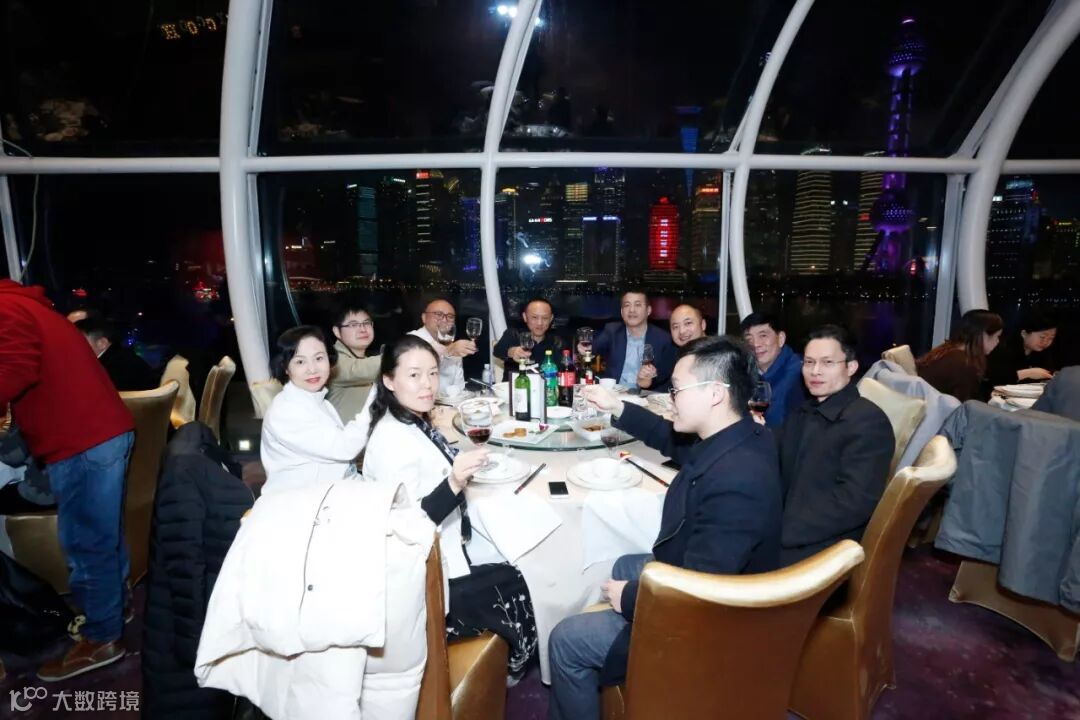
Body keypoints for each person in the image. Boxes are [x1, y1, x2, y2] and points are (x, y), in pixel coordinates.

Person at [548, 336, 782, 719]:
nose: (670, 397)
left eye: (677, 389)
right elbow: (668, 438)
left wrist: (631, 598)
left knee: (565, 640)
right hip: (703, 575)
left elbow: (701, 590)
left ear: (715, 393)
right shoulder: (740, 435)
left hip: (715, 623)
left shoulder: (738, 480)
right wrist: (617, 406)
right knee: (622, 563)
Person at [363, 335, 538, 677]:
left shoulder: (410, 419)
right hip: (424, 583)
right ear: (389, 380)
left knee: (518, 547)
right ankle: (511, 671)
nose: (427, 384)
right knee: (525, 580)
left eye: (432, 373)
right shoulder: (390, 441)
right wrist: (454, 482)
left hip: (448, 548)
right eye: (414, 375)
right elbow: (409, 526)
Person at [0, 280, 134, 680]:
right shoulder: (26, 306)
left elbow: (14, 371)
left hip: (80, 438)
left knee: (86, 542)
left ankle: (101, 637)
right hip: (96, 431)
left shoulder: (6, 309)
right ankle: (114, 608)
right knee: (102, 536)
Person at [777, 325, 894, 566]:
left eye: (827, 363)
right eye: (809, 362)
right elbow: (776, 452)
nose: (815, 371)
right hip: (793, 525)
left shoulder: (868, 422)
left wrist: (778, 529)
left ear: (851, 367)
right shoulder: (806, 411)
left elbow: (852, 504)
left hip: (823, 549)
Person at [260, 325, 371, 496]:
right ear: (285, 367)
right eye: (300, 362)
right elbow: (344, 448)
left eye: (319, 358)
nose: (312, 369)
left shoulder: (320, 402)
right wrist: (375, 403)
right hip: (302, 500)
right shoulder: (285, 410)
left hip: (331, 490)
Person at [591, 291, 676, 392]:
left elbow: (666, 374)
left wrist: (653, 376)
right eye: (627, 305)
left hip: (647, 394)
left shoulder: (663, 338)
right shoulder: (612, 331)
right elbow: (593, 348)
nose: (632, 310)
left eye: (637, 305)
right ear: (622, 312)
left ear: (648, 310)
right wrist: (585, 348)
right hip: (614, 393)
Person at [917, 310, 1004, 402]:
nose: (997, 341)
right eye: (997, 336)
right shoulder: (965, 364)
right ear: (983, 335)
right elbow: (962, 406)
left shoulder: (948, 350)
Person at [740, 311, 807, 427]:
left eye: (763, 336)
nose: (756, 344)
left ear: (781, 339)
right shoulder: (744, 374)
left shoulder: (801, 373)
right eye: (749, 339)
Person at [409, 298, 477, 393]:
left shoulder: (452, 345)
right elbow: (419, 368)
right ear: (424, 318)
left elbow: (459, 386)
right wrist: (448, 351)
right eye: (438, 314)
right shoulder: (411, 339)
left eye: (450, 316)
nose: (445, 320)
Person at [327, 305, 382, 423]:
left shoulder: (365, 359)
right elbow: (357, 370)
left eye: (366, 323)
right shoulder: (332, 360)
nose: (363, 329)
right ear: (337, 331)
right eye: (353, 325)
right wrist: (403, 355)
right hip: (345, 432)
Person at [75, 317, 158, 391]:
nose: (73, 346)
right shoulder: (115, 358)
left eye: (79, 341)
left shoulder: (119, 367)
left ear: (102, 343)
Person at [492, 298, 566, 380]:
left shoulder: (557, 342)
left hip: (547, 386)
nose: (540, 323)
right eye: (534, 317)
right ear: (525, 317)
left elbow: (565, 368)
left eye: (545, 318)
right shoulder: (513, 334)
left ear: (551, 318)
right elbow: (497, 351)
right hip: (515, 386)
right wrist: (512, 352)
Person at [987, 311, 1058, 386]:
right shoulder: (1003, 349)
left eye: (1051, 338)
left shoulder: (1043, 353)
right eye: (1042, 337)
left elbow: (1049, 372)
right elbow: (995, 378)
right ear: (1024, 334)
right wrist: (1027, 373)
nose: (1046, 342)